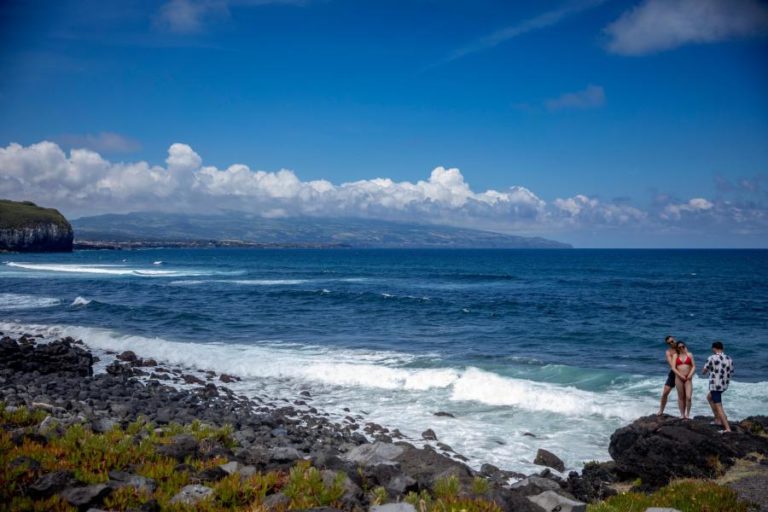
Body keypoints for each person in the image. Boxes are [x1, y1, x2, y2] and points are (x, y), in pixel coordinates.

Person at [702, 341, 734, 433]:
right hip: (724, 385)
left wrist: (707, 371)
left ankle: (727, 428)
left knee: (719, 406)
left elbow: (704, 371)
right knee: (709, 397)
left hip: (715, 385)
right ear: (722, 348)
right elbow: (731, 372)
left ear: (714, 348)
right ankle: (717, 419)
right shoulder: (729, 358)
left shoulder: (711, 358)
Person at [674, 341, 695, 419]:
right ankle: (682, 414)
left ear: (685, 346)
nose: (681, 348)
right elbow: (673, 367)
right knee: (681, 397)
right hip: (679, 378)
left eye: (683, 346)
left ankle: (688, 414)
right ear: (677, 348)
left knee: (688, 397)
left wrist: (690, 375)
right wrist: (680, 375)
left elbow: (693, 366)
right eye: (679, 347)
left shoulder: (689, 354)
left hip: (688, 378)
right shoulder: (676, 355)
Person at [658, 335, 679, 415]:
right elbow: (672, 365)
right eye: (669, 343)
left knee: (683, 395)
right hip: (674, 372)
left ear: (675, 339)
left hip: (684, 372)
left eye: (672, 341)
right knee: (665, 392)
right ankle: (661, 410)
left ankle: (684, 414)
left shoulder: (681, 347)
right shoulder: (668, 352)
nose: (671, 343)